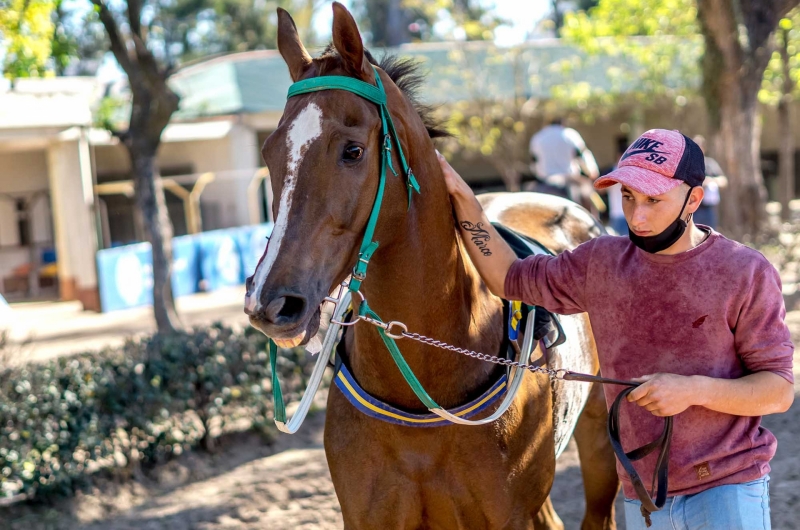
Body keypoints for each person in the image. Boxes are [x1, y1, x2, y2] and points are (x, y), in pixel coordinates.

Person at [438, 129, 794, 529]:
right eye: (627, 197)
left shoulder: (744, 271)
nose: (637, 217)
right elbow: (508, 278)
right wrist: (465, 202)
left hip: (727, 488)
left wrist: (693, 390)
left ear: (694, 198)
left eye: (654, 201)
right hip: (642, 494)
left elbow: (778, 390)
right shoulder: (600, 262)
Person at [528, 119, 600, 211]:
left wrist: (539, 174)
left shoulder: (538, 137)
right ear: (563, 123)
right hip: (570, 178)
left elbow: (534, 162)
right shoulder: (570, 134)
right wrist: (592, 171)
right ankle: (593, 220)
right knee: (588, 195)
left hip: (545, 180)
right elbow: (582, 154)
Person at [691, 135, 727, 230]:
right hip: (692, 208)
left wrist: (712, 181)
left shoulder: (710, 164)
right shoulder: (688, 164)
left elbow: (723, 181)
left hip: (708, 208)